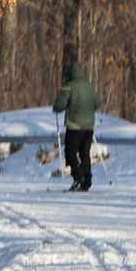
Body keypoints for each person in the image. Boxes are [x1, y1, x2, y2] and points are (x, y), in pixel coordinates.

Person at [53, 60, 101, 191]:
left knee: (70, 152)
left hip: (74, 125)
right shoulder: (91, 87)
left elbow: (60, 105)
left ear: (71, 73)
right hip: (89, 126)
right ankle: (87, 180)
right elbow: (97, 104)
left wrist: (56, 107)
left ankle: (78, 174)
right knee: (85, 153)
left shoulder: (69, 87)